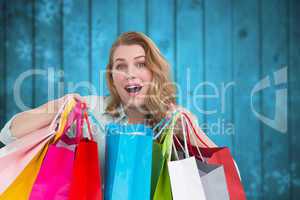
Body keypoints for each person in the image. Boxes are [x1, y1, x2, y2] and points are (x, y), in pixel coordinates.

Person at [0, 31, 216, 148]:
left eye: (140, 64)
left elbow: (226, 174)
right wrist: (57, 108)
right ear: (112, 76)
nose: (130, 73)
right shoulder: (89, 109)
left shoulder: (174, 122)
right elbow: (9, 134)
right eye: (121, 66)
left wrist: (191, 134)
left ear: (154, 72)